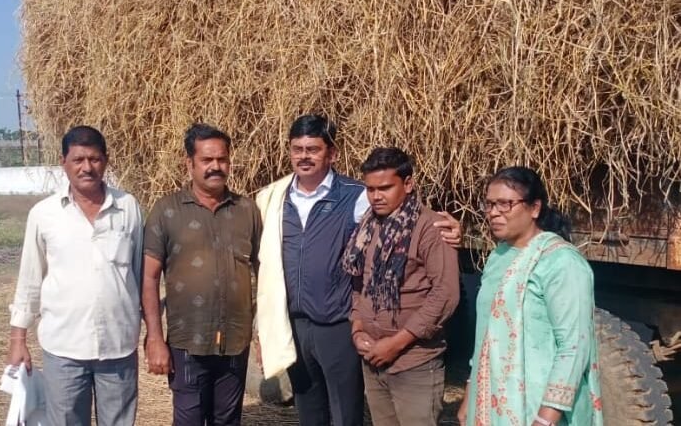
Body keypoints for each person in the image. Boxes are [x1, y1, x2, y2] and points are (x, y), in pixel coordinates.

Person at [255, 114, 461, 426]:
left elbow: (407, 218)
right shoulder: (273, 199)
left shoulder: (357, 196)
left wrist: (451, 230)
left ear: (332, 153)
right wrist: (263, 328)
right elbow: (262, 265)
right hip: (295, 325)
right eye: (297, 149)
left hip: (338, 324)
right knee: (308, 410)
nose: (304, 156)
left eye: (313, 149)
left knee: (345, 413)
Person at [7, 125, 144, 426]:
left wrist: (153, 335)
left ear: (105, 161)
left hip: (118, 345)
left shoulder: (128, 208)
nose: (87, 168)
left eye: (94, 159)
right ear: (63, 162)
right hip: (64, 347)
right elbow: (30, 279)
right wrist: (18, 339)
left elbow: (139, 274)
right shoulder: (44, 214)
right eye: (78, 160)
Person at [457, 166, 603, 426]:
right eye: (489, 204)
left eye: (505, 204)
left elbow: (573, 346)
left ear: (535, 208)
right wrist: (470, 394)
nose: (494, 213)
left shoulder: (561, 262)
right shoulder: (498, 256)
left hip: (538, 406)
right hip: (492, 403)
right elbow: (485, 336)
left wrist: (546, 418)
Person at [142, 123, 262, 426]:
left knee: (228, 420)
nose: (215, 167)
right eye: (206, 160)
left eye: (222, 159)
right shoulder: (167, 211)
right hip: (187, 343)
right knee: (189, 420)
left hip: (235, 341)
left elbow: (264, 272)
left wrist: (263, 332)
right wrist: (154, 338)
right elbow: (149, 278)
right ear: (190, 164)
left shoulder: (247, 210)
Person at [344, 147, 459, 426]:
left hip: (413, 361)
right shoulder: (367, 227)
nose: (376, 196)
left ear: (408, 184)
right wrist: (357, 329)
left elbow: (445, 295)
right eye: (370, 189)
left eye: (385, 188)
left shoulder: (431, 228)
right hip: (373, 359)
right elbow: (359, 283)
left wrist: (396, 344)